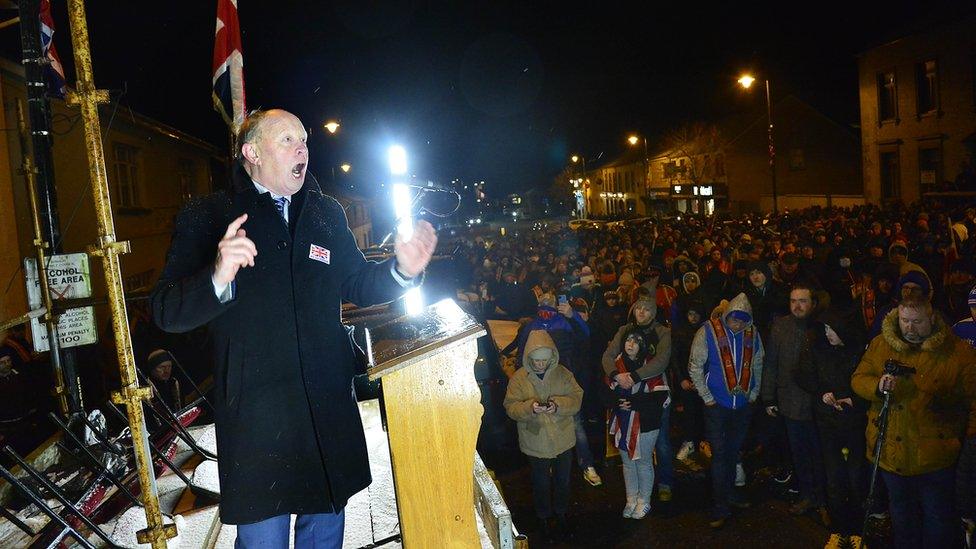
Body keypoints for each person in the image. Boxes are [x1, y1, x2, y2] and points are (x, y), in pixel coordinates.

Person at [150, 109, 436, 547]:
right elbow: (167, 311)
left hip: (325, 407)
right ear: (251, 152)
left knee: (324, 532)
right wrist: (218, 275)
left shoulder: (324, 212)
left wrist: (402, 269)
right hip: (259, 420)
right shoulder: (211, 215)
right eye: (287, 140)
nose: (301, 149)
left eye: (303, 141)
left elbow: (357, 282)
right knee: (263, 536)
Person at [851, 296, 976, 548]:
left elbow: (973, 399)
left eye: (917, 321)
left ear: (931, 319)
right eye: (905, 321)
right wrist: (877, 386)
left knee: (938, 519)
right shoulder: (880, 344)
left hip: (936, 457)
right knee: (902, 518)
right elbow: (858, 378)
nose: (910, 327)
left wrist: (969, 441)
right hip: (891, 455)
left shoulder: (959, 352)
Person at [688, 292, 764, 528]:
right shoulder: (708, 331)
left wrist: (754, 393)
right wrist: (707, 397)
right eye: (734, 318)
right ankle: (720, 506)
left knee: (733, 453)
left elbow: (759, 363)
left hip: (741, 407)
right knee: (720, 456)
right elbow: (695, 365)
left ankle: (730, 495)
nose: (738, 323)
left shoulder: (753, 334)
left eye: (743, 319)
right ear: (727, 315)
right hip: (717, 407)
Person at [503, 329, 583, 542]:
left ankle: (561, 512)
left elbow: (576, 398)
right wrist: (530, 408)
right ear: (529, 357)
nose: (540, 364)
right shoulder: (519, 379)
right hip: (535, 441)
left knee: (563, 480)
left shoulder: (563, 374)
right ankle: (544, 517)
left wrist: (558, 405)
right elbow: (511, 407)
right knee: (540, 483)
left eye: (545, 361)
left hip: (562, 438)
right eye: (536, 360)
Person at [796, 308, 868, 535]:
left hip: (854, 424)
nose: (828, 334)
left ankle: (858, 525)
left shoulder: (858, 351)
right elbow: (804, 375)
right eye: (825, 329)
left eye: (831, 329)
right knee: (834, 476)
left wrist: (852, 400)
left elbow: (868, 384)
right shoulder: (818, 349)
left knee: (856, 476)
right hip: (828, 423)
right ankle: (839, 528)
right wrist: (822, 393)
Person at [762, 285, 828, 522]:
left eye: (802, 300)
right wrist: (768, 397)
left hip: (818, 404)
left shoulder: (820, 326)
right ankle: (808, 495)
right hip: (790, 402)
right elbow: (771, 363)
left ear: (812, 302)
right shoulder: (781, 326)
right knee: (799, 453)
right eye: (793, 301)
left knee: (820, 454)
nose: (797, 305)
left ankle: (823, 499)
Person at [602, 327, 670, 520]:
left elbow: (661, 396)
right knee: (627, 463)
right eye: (628, 340)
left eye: (635, 341)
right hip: (622, 422)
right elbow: (604, 393)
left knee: (643, 461)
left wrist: (635, 403)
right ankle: (631, 499)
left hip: (647, 423)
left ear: (642, 345)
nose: (630, 344)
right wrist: (616, 402)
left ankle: (644, 500)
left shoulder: (652, 365)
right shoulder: (615, 366)